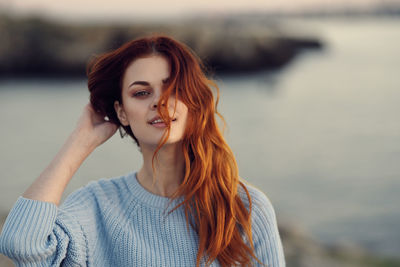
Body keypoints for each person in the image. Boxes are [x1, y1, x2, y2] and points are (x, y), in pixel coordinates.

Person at [0, 35, 285, 266]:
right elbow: (21, 244)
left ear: (194, 102)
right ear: (122, 113)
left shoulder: (245, 208)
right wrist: (80, 141)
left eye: (174, 88)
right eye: (141, 93)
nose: (160, 103)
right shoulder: (96, 206)